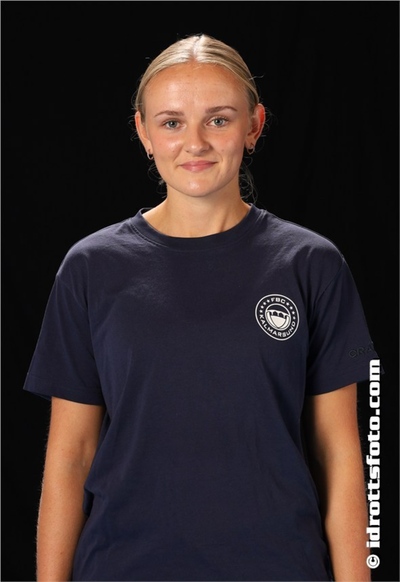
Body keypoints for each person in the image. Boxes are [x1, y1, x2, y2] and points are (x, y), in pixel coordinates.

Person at [24, 33, 380, 582]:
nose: (195, 143)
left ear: (254, 125)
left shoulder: (313, 264)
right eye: (171, 122)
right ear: (144, 132)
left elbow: (343, 456)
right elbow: (71, 456)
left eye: (218, 119)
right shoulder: (90, 268)